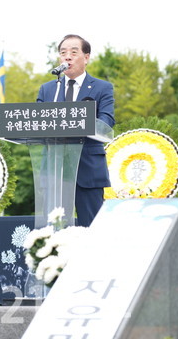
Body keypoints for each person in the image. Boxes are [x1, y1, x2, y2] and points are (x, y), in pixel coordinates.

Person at [37, 34, 115, 227]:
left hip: (87, 169)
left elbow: (107, 120)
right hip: (55, 171)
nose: (67, 57)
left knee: (92, 228)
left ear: (86, 57)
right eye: (63, 53)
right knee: (54, 231)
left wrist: (83, 122)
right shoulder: (48, 90)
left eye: (73, 52)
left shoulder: (102, 88)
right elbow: (37, 122)